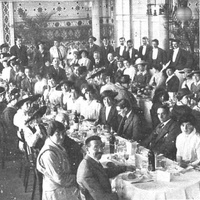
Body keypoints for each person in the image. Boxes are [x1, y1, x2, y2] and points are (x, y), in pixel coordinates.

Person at [77, 135, 130, 200]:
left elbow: (103, 172)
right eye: (95, 147)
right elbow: (102, 198)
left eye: (101, 146)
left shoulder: (91, 161)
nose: (100, 150)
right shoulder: (86, 171)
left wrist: (124, 168)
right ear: (87, 149)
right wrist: (121, 195)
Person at [37, 120, 79, 200]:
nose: (62, 137)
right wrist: (78, 178)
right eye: (58, 134)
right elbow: (61, 179)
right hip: (57, 191)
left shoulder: (55, 144)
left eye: (63, 133)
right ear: (50, 134)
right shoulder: (49, 153)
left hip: (60, 186)